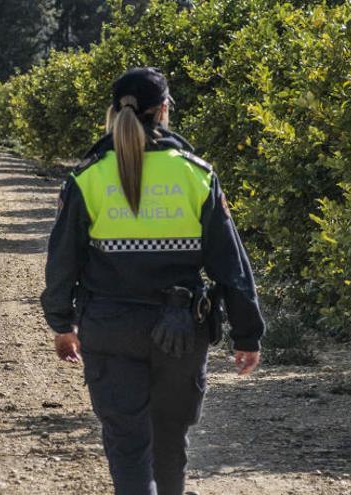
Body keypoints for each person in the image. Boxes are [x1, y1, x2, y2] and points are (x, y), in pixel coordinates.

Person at [40, 67, 265, 495]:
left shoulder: (87, 177)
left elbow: (62, 261)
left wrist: (61, 323)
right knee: (169, 443)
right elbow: (229, 264)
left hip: (109, 327)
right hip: (181, 330)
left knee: (127, 447)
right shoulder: (196, 174)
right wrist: (247, 335)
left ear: (113, 112)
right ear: (163, 110)